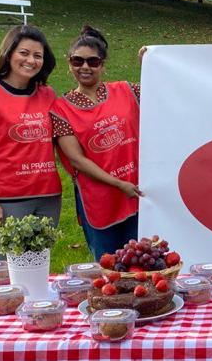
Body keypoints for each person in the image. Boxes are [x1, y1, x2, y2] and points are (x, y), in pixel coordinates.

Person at [0, 25, 62, 260]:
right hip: (6, 200)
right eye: (24, 53)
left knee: (39, 267)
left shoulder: (48, 94)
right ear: (8, 54)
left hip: (47, 197)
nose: (31, 60)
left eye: (37, 55)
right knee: (5, 272)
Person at [50, 25, 143, 261]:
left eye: (93, 61)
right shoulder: (61, 109)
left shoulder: (128, 91)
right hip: (99, 198)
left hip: (139, 192)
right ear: (69, 63)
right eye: (77, 61)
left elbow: (165, 92)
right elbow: (76, 160)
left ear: (103, 64)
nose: (85, 67)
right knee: (109, 264)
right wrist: (118, 183)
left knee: (144, 261)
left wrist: (151, 64)